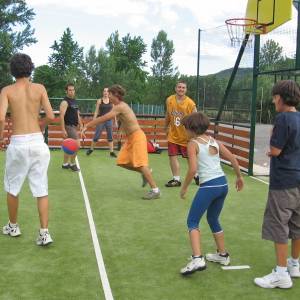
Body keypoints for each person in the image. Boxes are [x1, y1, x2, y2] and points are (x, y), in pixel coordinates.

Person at [179, 112, 244, 275]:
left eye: (185, 128)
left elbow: (193, 169)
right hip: (223, 185)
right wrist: (239, 176)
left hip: (209, 187)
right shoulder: (214, 141)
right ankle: (222, 255)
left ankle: (197, 258)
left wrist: (184, 187)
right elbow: (233, 158)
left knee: (192, 221)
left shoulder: (192, 143)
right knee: (212, 218)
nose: (185, 131)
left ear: (192, 129)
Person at [0, 53, 55, 246]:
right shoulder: (39, 88)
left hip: (18, 143)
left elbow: (0, 118)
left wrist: (0, 137)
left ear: (12, 70)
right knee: (41, 188)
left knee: (12, 187)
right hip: (38, 143)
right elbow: (50, 115)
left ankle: (13, 226)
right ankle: (44, 233)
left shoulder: (7, 90)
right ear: (30, 68)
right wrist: (40, 125)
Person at [254, 80, 300, 289]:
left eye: (274, 98)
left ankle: (281, 274)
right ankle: (294, 264)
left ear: (280, 98)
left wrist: (270, 149)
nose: (273, 102)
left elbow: (275, 150)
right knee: (297, 225)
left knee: (279, 224)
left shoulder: (282, 118)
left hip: (284, 181)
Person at [82, 84, 160, 200]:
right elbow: (125, 120)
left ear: (115, 95)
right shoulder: (117, 106)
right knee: (121, 161)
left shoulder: (120, 106)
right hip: (130, 138)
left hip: (138, 137)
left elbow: (104, 118)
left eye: (110, 94)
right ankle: (145, 172)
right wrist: (121, 131)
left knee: (141, 163)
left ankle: (155, 190)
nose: (108, 95)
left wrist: (87, 125)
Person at [165, 81, 199, 187]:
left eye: (183, 88)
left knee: (190, 158)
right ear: (175, 88)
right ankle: (176, 179)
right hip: (173, 135)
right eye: (179, 87)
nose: (181, 89)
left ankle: (197, 176)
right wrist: (165, 126)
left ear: (186, 90)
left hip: (186, 136)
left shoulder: (190, 103)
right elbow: (168, 114)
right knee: (172, 156)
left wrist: (195, 134)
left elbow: (197, 118)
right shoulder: (169, 100)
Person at [86, 87, 117, 157]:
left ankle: (111, 152)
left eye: (107, 91)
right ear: (103, 92)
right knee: (96, 135)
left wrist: (115, 121)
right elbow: (96, 111)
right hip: (100, 120)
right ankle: (91, 149)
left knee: (110, 136)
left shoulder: (111, 101)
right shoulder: (99, 101)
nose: (106, 93)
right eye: (104, 91)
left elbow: (114, 111)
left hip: (109, 120)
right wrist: (94, 121)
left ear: (109, 93)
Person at [60, 83, 83, 171]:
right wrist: (63, 129)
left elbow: (77, 113)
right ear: (66, 91)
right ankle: (73, 164)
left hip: (74, 126)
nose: (72, 91)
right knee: (77, 145)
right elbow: (61, 116)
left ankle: (65, 164)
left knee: (68, 145)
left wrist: (81, 124)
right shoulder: (65, 102)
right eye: (70, 90)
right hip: (68, 126)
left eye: (73, 90)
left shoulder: (74, 101)